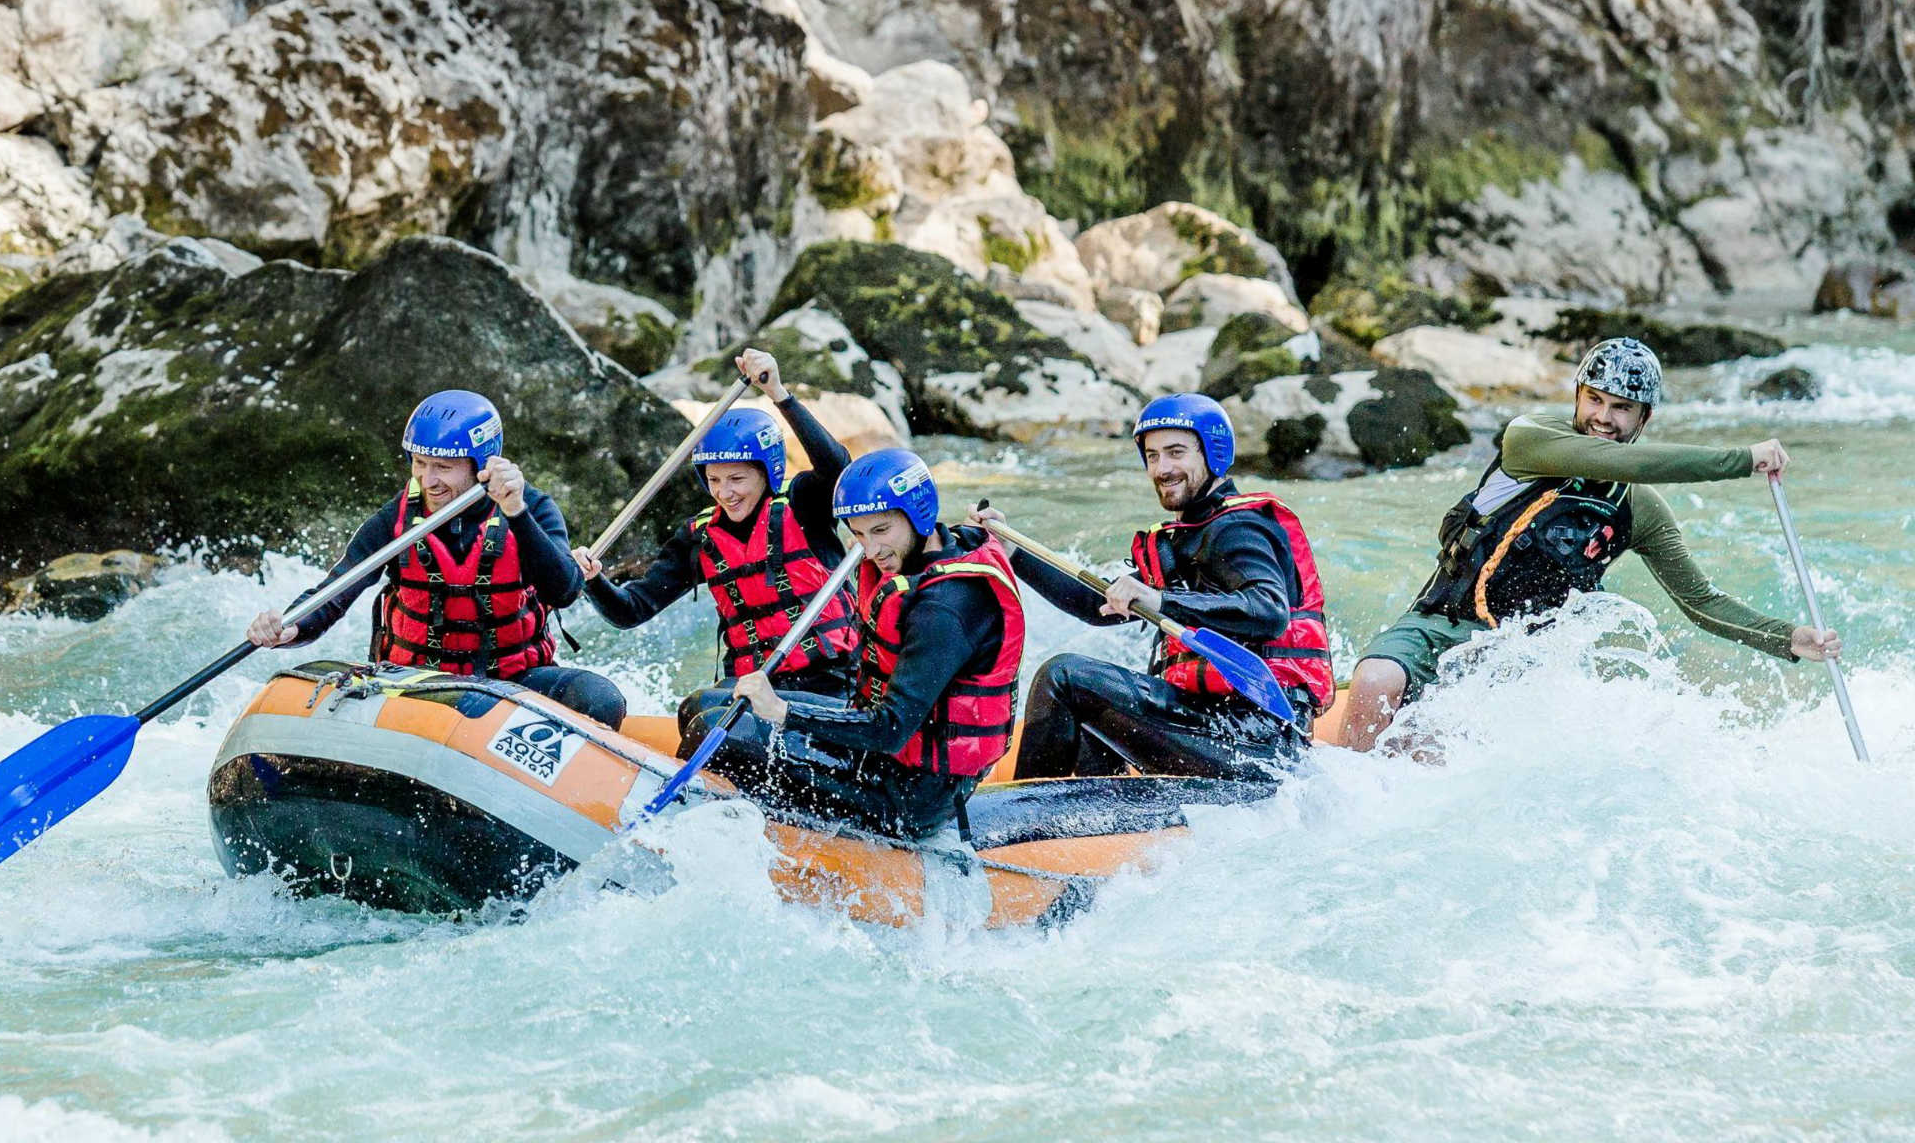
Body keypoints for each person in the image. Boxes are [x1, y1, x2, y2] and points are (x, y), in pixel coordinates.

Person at [1339, 336, 1843, 752]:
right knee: (1375, 682)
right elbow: (1622, 463)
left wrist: (1787, 639)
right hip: (1437, 623)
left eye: (1622, 408)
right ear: (1577, 397)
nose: (1604, 417)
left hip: (1509, 660)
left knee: (1429, 744)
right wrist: (1739, 459)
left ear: (1644, 420)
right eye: (1595, 400)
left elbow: (1701, 602)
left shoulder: (1638, 509)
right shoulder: (1529, 440)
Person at [973, 392, 1333, 782]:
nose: (1162, 468)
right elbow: (1099, 606)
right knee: (1088, 713)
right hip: (1214, 725)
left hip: (1257, 739)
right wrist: (1013, 553)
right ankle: (1094, 822)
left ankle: (1024, 816)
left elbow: (1268, 611)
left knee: (1064, 677)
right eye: (1153, 456)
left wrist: (1161, 600)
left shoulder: (1237, 529)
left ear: (1212, 454)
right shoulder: (1184, 538)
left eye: (1176, 453)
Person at [685, 448, 1026, 840]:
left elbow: (891, 729)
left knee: (716, 732)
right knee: (708, 702)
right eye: (859, 533)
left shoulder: (945, 608)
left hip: (912, 795)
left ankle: (718, 836)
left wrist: (783, 711)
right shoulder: (935, 546)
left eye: (881, 531)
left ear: (920, 515)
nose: (870, 550)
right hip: (883, 757)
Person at [246, 389, 625, 725]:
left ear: (481, 465)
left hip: (512, 681)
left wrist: (516, 512)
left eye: (443, 467)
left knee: (598, 699)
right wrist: (291, 627)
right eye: (419, 463)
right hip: (414, 681)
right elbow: (339, 588)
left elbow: (564, 591)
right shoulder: (395, 519)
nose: (428, 480)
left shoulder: (532, 508)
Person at [575, 349, 859, 720]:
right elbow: (632, 610)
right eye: (715, 480)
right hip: (752, 686)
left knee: (709, 715)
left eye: (737, 478)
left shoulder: (805, 504)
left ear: (767, 472)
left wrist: (779, 394)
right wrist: (594, 581)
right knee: (696, 710)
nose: (726, 492)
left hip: (832, 684)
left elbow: (839, 467)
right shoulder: (699, 538)